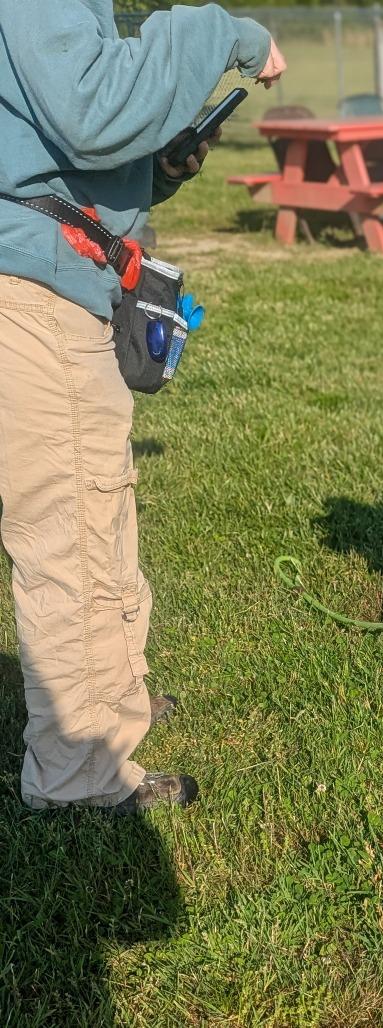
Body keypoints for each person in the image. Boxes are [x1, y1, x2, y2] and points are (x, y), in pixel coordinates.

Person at [0, 1, 286, 812]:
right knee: (71, 532)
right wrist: (225, 35)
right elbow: (91, 109)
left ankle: (111, 706)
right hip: (32, 292)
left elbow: (58, 144)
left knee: (100, 508)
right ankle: (77, 772)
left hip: (61, 280)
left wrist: (158, 169)